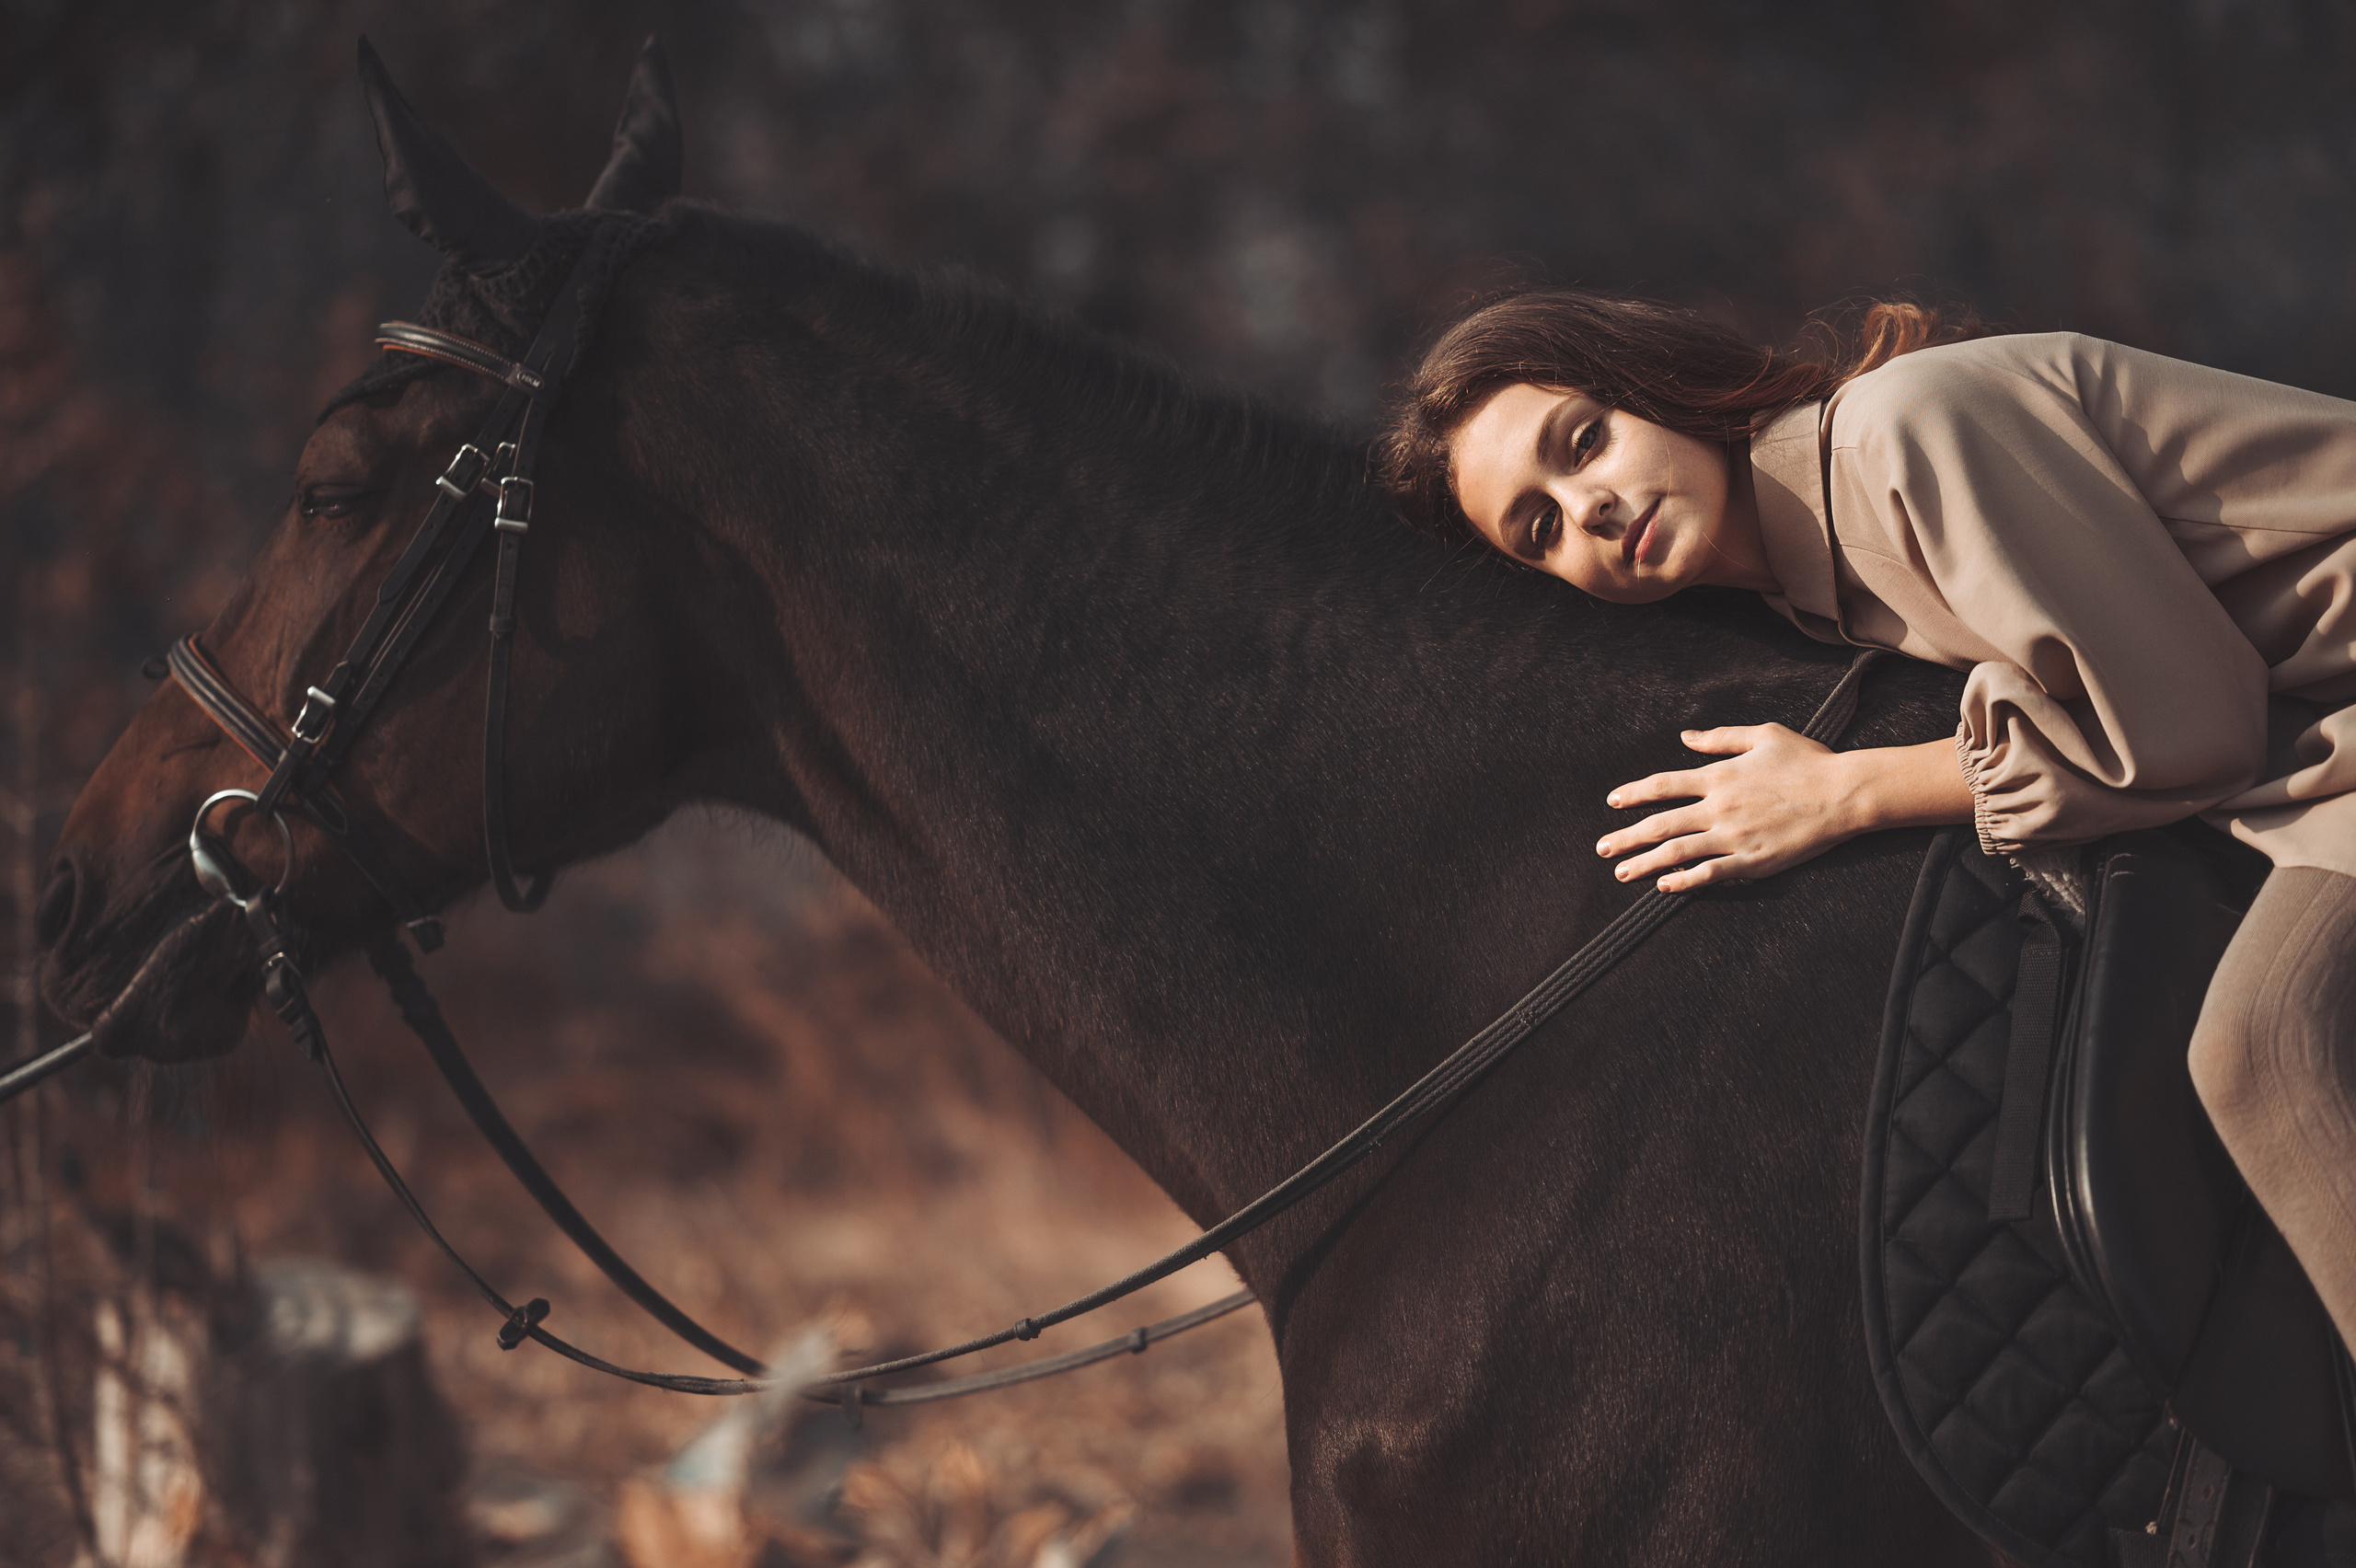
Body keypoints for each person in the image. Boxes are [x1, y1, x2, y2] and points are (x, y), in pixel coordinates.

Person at [1378, 289, 2356, 1353]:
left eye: (1583, 443)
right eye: (1542, 529)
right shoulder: (1814, 594)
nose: (1590, 510)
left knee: (2260, 1050)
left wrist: (1848, 791)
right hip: (2315, 742)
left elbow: (2188, 724)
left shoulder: (1907, 426)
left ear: (1648, 388)